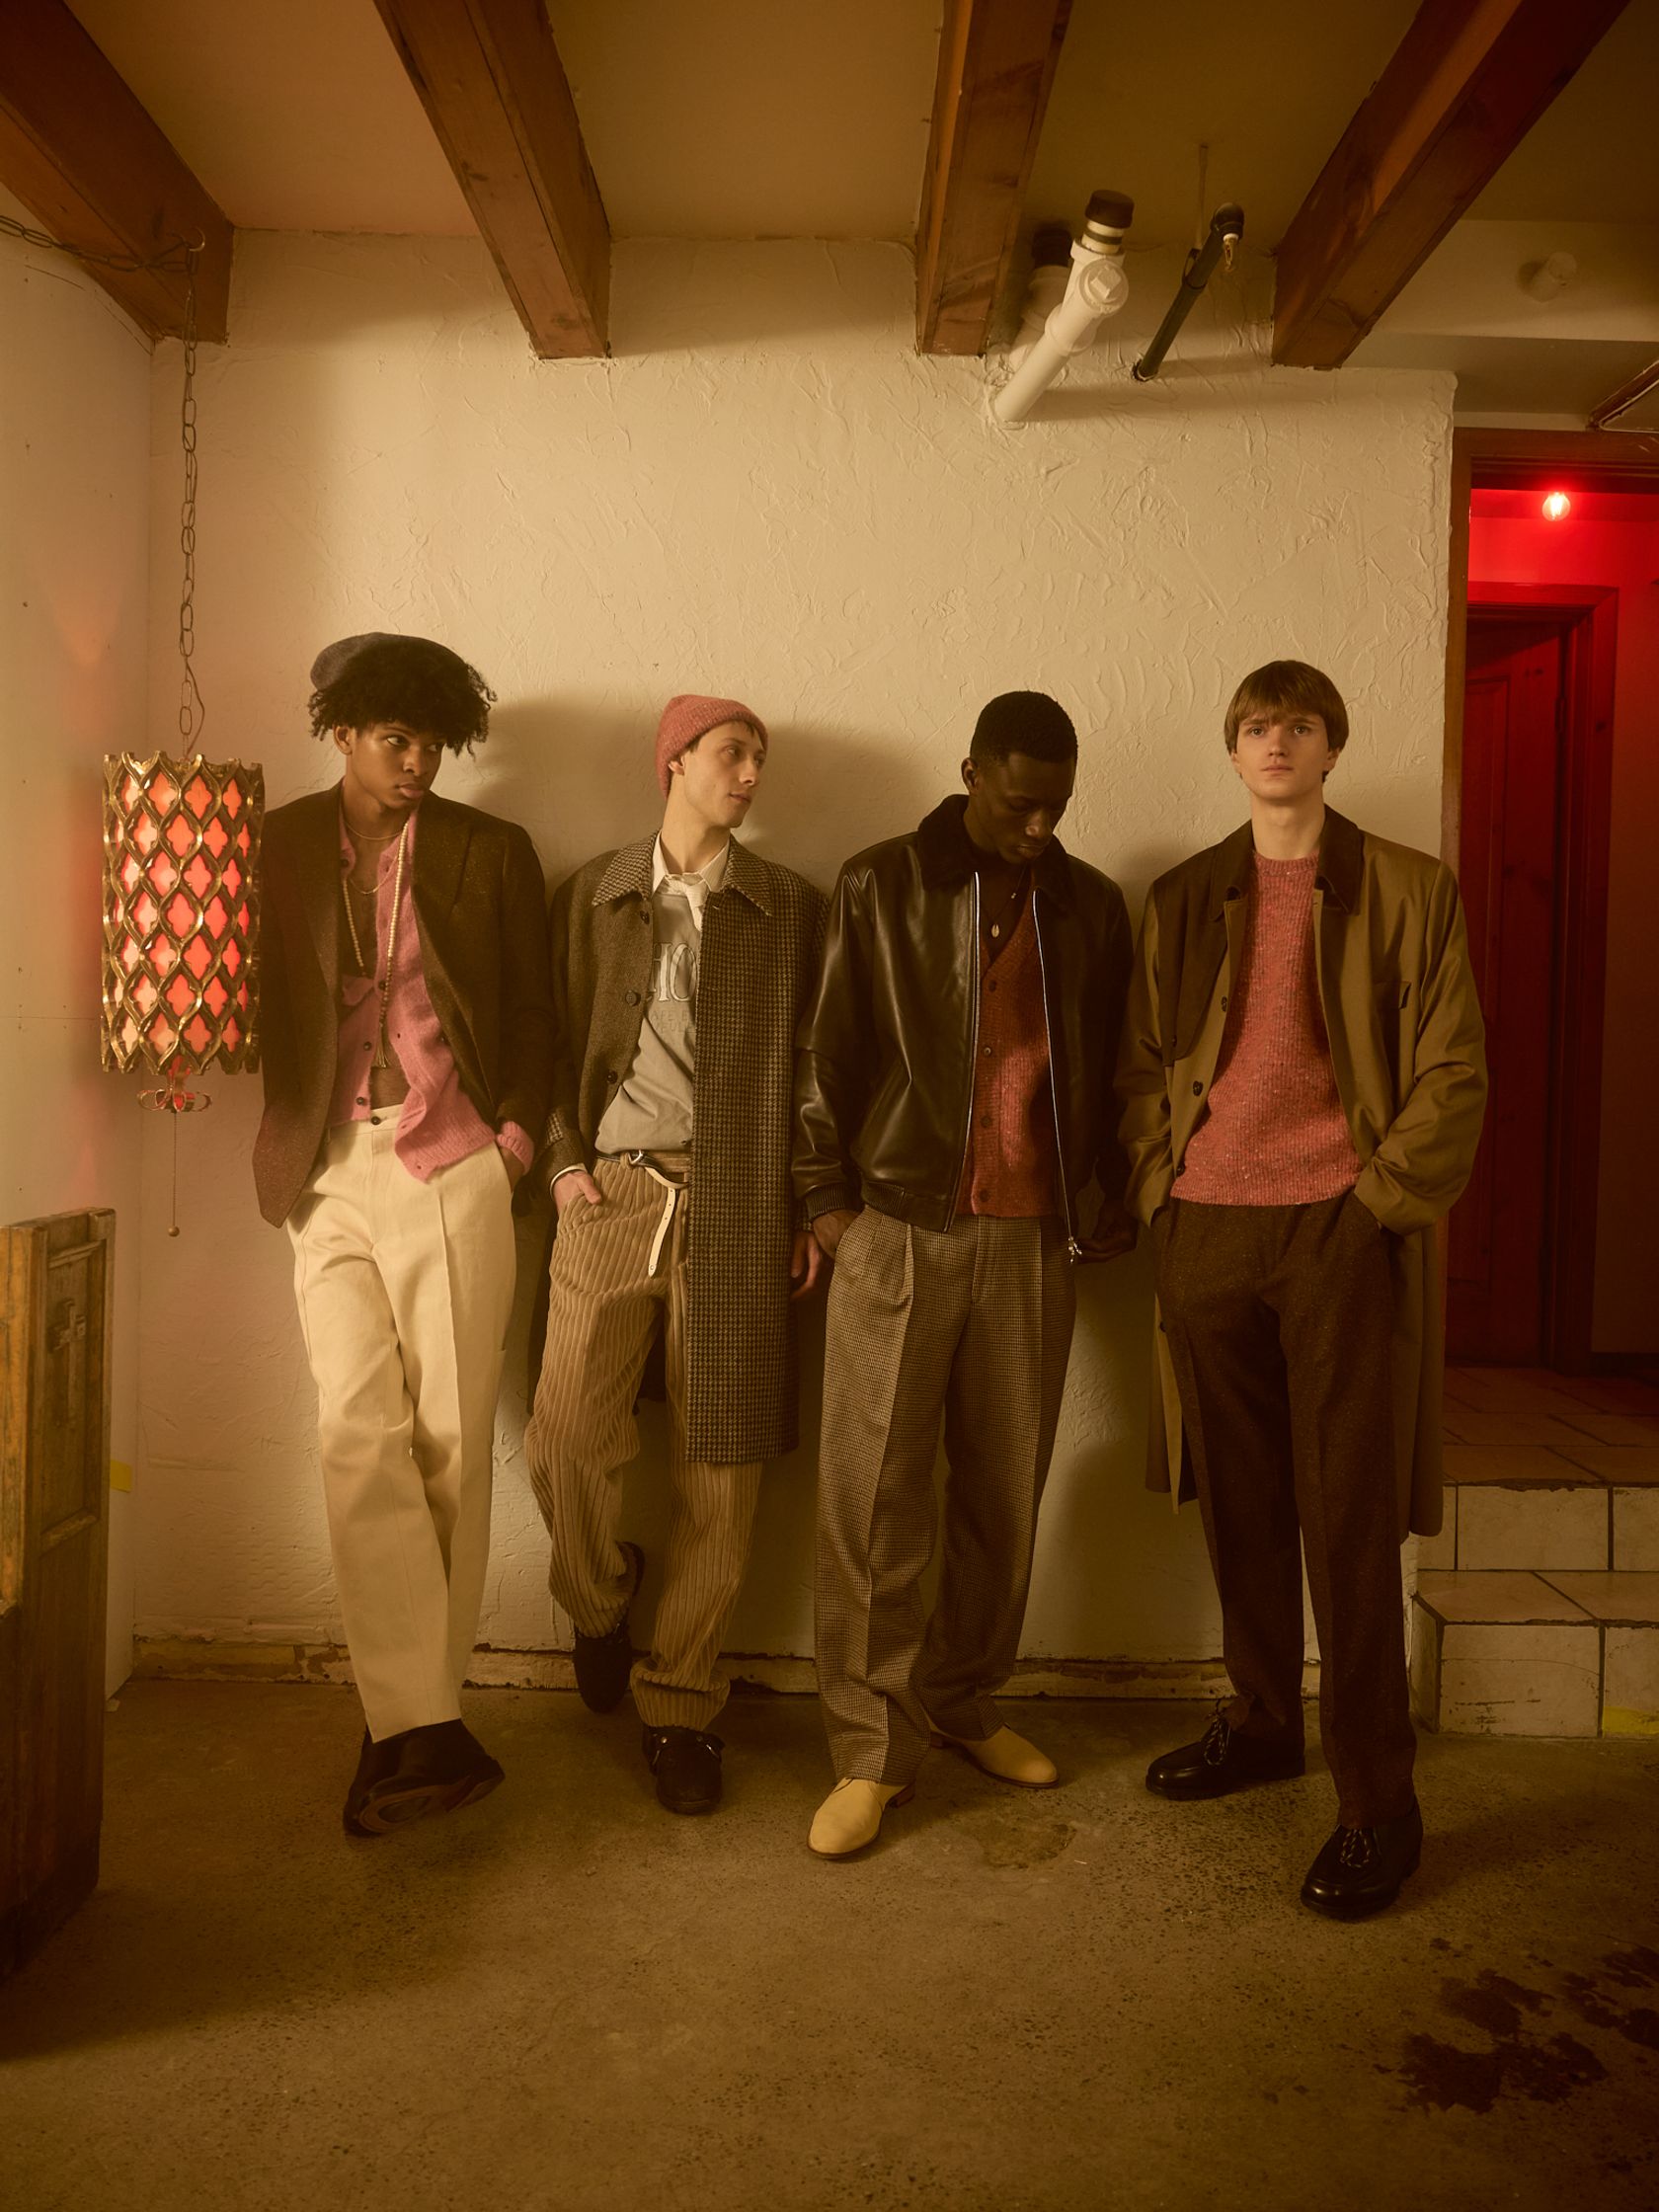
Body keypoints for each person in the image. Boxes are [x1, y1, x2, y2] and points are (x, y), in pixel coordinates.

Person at [1116, 659, 1486, 1918]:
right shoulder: (1182, 895)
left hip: (1339, 1226)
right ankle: (1267, 1719)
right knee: (1242, 1498)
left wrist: (1373, 1202)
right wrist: (1162, 1185)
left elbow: (1453, 1070)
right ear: (1232, 751)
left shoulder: (1406, 888)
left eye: (1302, 725)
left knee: (1349, 1511)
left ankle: (1381, 1800)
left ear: (1333, 746)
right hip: (1210, 1223)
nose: (1278, 742)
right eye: (1257, 725)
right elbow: (1138, 1063)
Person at [795, 690, 1134, 1858]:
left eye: (1059, 804)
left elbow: (1111, 1065)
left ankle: (964, 1696)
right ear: (973, 771)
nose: (1042, 825)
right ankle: (868, 1747)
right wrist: (828, 1204)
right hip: (897, 1222)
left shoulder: (1089, 905)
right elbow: (824, 1050)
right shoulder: (880, 882)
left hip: (1034, 1236)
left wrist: (1108, 1202)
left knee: (1003, 1489)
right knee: (873, 1498)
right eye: (1022, 799)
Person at [256, 632, 554, 1838]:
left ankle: (404, 1733)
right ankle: (420, 1724)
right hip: (324, 1166)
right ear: (342, 733)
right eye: (396, 738)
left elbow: (538, 1004)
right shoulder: (276, 841)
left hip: (455, 1161)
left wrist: (516, 1142)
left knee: (445, 1442)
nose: (419, 759)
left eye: (434, 741)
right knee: (354, 1433)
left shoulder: (492, 851)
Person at [524, 694, 826, 1814]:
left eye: (761, 754)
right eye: (731, 752)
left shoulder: (787, 905)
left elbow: (815, 1069)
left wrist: (808, 1205)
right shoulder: (594, 897)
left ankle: (686, 1702)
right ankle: (600, 1599)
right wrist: (563, 1165)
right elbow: (546, 1041)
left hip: (745, 1201)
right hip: (610, 1192)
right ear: (675, 762)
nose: (750, 772)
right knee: (563, 1433)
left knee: (725, 1466)